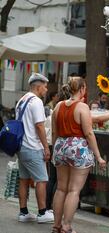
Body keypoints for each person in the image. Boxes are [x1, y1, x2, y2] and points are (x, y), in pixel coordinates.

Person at [51, 76, 106, 233]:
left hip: (60, 145)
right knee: (74, 190)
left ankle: (56, 225)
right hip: (78, 147)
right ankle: (66, 226)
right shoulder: (82, 107)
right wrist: (98, 156)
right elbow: (88, 133)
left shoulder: (58, 106)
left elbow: (54, 132)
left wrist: (55, 150)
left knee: (61, 188)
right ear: (82, 89)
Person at [15, 73, 55, 224]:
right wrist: (46, 147)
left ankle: (23, 212)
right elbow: (39, 126)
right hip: (32, 147)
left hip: (22, 147)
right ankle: (42, 213)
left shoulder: (22, 100)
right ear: (38, 87)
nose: (46, 89)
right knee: (42, 180)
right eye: (45, 86)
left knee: (24, 180)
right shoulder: (36, 102)